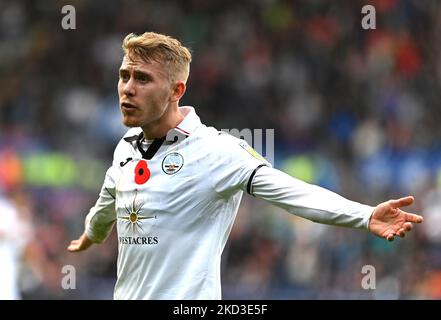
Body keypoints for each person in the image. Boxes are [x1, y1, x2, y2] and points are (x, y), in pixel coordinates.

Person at [67, 31, 423, 300]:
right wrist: (89, 237)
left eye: (142, 79)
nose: (127, 89)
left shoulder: (217, 151)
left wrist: (364, 215)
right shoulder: (125, 150)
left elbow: (292, 193)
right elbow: (105, 207)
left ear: (177, 90)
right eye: (124, 75)